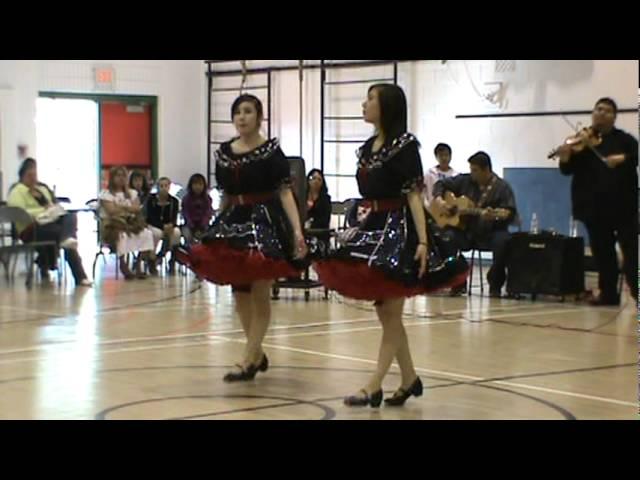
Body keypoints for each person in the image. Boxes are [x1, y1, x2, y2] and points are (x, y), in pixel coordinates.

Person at [314, 84, 468, 408]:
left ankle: (374, 385)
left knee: (389, 310)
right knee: (388, 314)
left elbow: (414, 194)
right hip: (374, 226)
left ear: (387, 106)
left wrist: (424, 240)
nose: (364, 104)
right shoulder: (369, 147)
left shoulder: (405, 145)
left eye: (370, 99)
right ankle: (409, 379)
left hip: (400, 229)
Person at [177, 94, 307, 382]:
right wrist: (214, 227)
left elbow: (285, 192)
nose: (241, 117)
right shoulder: (225, 153)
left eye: (248, 111)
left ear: (259, 117)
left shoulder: (271, 152)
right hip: (233, 219)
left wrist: (297, 230)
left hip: (264, 221)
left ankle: (248, 358)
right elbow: (224, 195)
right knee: (239, 294)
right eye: (237, 112)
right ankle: (256, 352)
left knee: (261, 291)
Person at [557, 97, 638, 306]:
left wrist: (623, 159)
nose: (601, 113)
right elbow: (566, 171)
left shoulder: (625, 140)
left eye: (607, 110)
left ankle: (637, 292)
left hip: (623, 207)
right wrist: (565, 156)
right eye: (598, 109)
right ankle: (608, 295)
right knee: (603, 254)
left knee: (631, 253)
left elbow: (636, 155)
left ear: (614, 117)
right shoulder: (580, 143)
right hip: (593, 208)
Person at [431, 152, 518, 298]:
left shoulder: (502, 188)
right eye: (471, 169)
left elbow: (510, 213)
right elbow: (441, 184)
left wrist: (494, 217)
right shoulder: (466, 181)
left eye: (475, 170)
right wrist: (440, 200)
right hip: (467, 232)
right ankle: (458, 280)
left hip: (491, 232)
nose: (472, 174)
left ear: (486, 170)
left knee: (503, 241)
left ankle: (495, 284)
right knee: (446, 237)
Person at [7, 158, 92, 287]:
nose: (33, 178)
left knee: (70, 217)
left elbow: (53, 204)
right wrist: (42, 211)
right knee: (64, 236)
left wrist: (52, 209)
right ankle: (80, 276)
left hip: (50, 222)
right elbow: (19, 212)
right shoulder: (17, 191)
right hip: (31, 228)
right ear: (22, 175)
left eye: (35, 174)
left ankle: (65, 241)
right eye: (29, 175)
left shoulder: (42, 189)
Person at [99, 166, 157, 279]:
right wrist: (127, 208)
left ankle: (139, 264)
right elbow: (111, 211)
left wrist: (121, 207)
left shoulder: (132, 193)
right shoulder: (106, 194)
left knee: (146, 233)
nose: (121, 178)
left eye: (123, 176)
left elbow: (137, 209)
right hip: (113, 224)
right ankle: (123, 264)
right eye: (118, 175)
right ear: (112, 178)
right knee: (122, 236)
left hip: (131, 222)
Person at [146, 176, 181, 272]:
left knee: (177, 233)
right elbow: (150, 217)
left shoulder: (174, 201)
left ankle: (172, 259)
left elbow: (174, 217)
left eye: (166, 185)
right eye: (161, 186)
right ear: (157, 187)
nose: (163, 188)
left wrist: (171, 225)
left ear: (169, 187)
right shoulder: (151, 200)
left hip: (169, 226)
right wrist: (162, 226)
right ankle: (152, 258)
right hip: (154, 225)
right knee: (157, 233)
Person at [181, 173, 214, 246]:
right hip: (189, 226)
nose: (198, 187)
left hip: (203, 226)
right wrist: (192, 226)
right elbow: (185, 213)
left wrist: (202, 225)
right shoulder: (186, 199)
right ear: (191, 185)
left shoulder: (207, 199)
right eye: (195, 184)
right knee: (188, 235)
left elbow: (208, 213)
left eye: (200, 184)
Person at [305, 169, 332, 241]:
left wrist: (310, 224)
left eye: (319, 179)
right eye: (313, 178)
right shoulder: (302, 197)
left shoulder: (326, 199)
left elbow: (325, 220)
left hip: (319, 234)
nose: (316, 181)